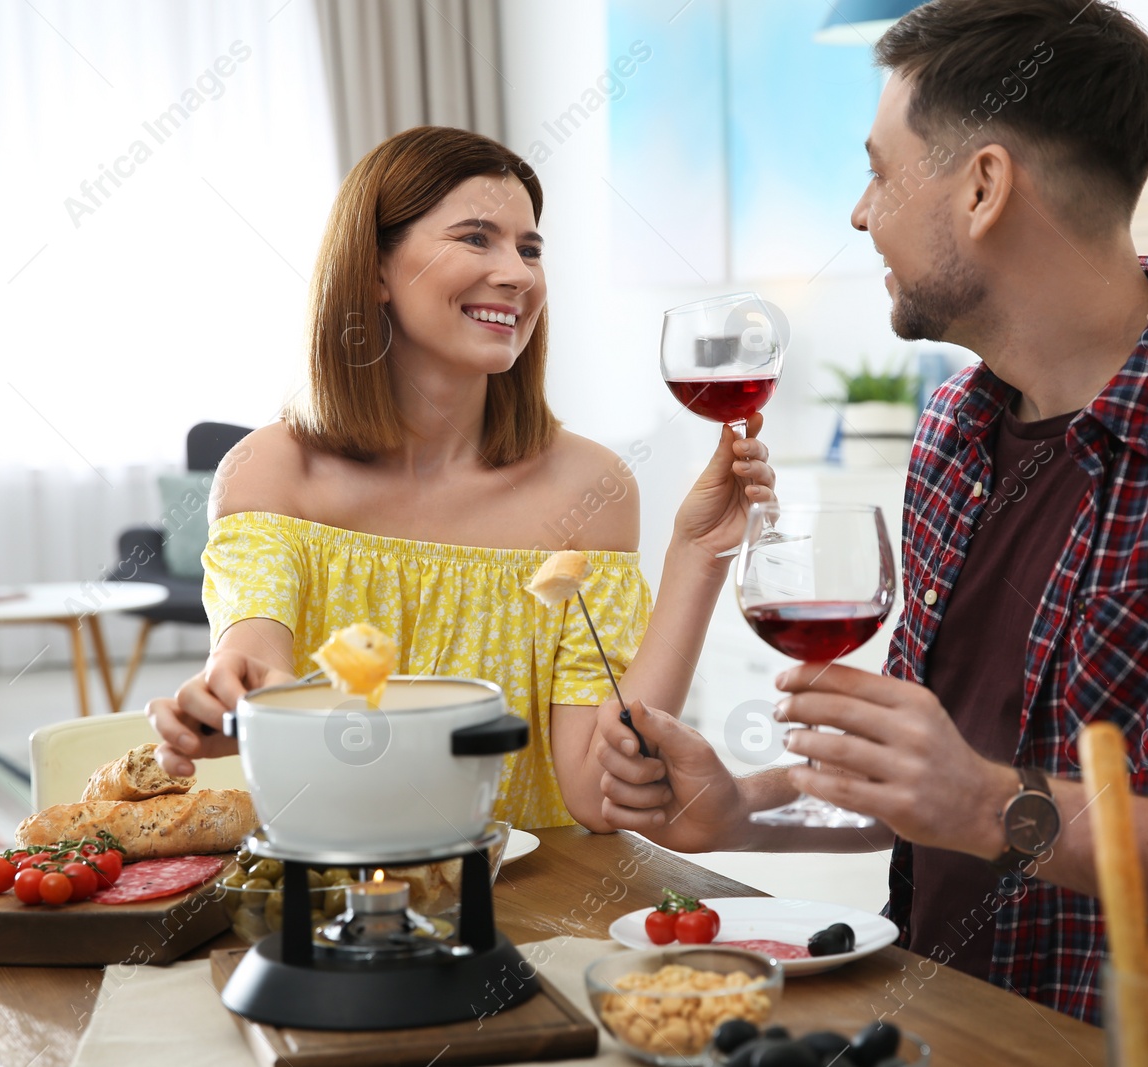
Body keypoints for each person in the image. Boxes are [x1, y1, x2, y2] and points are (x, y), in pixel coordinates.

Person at [595, 2, 1148, 1061]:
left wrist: (999, 807)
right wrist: (740, 806)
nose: (861, 214)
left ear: (983, 185)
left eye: (879, 170)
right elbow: (932, 783)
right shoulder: (955, 429)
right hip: (935, 1030)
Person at [146, 125, 775, 834]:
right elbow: (255, 660)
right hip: (344, 897)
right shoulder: (274, 472)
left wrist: (699, 555)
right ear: (375, 270)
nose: (519, 273)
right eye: (476, 238)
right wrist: (237, 699)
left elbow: (599, 792)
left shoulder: (589, 488)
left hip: (533, 908)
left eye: (530, 248)